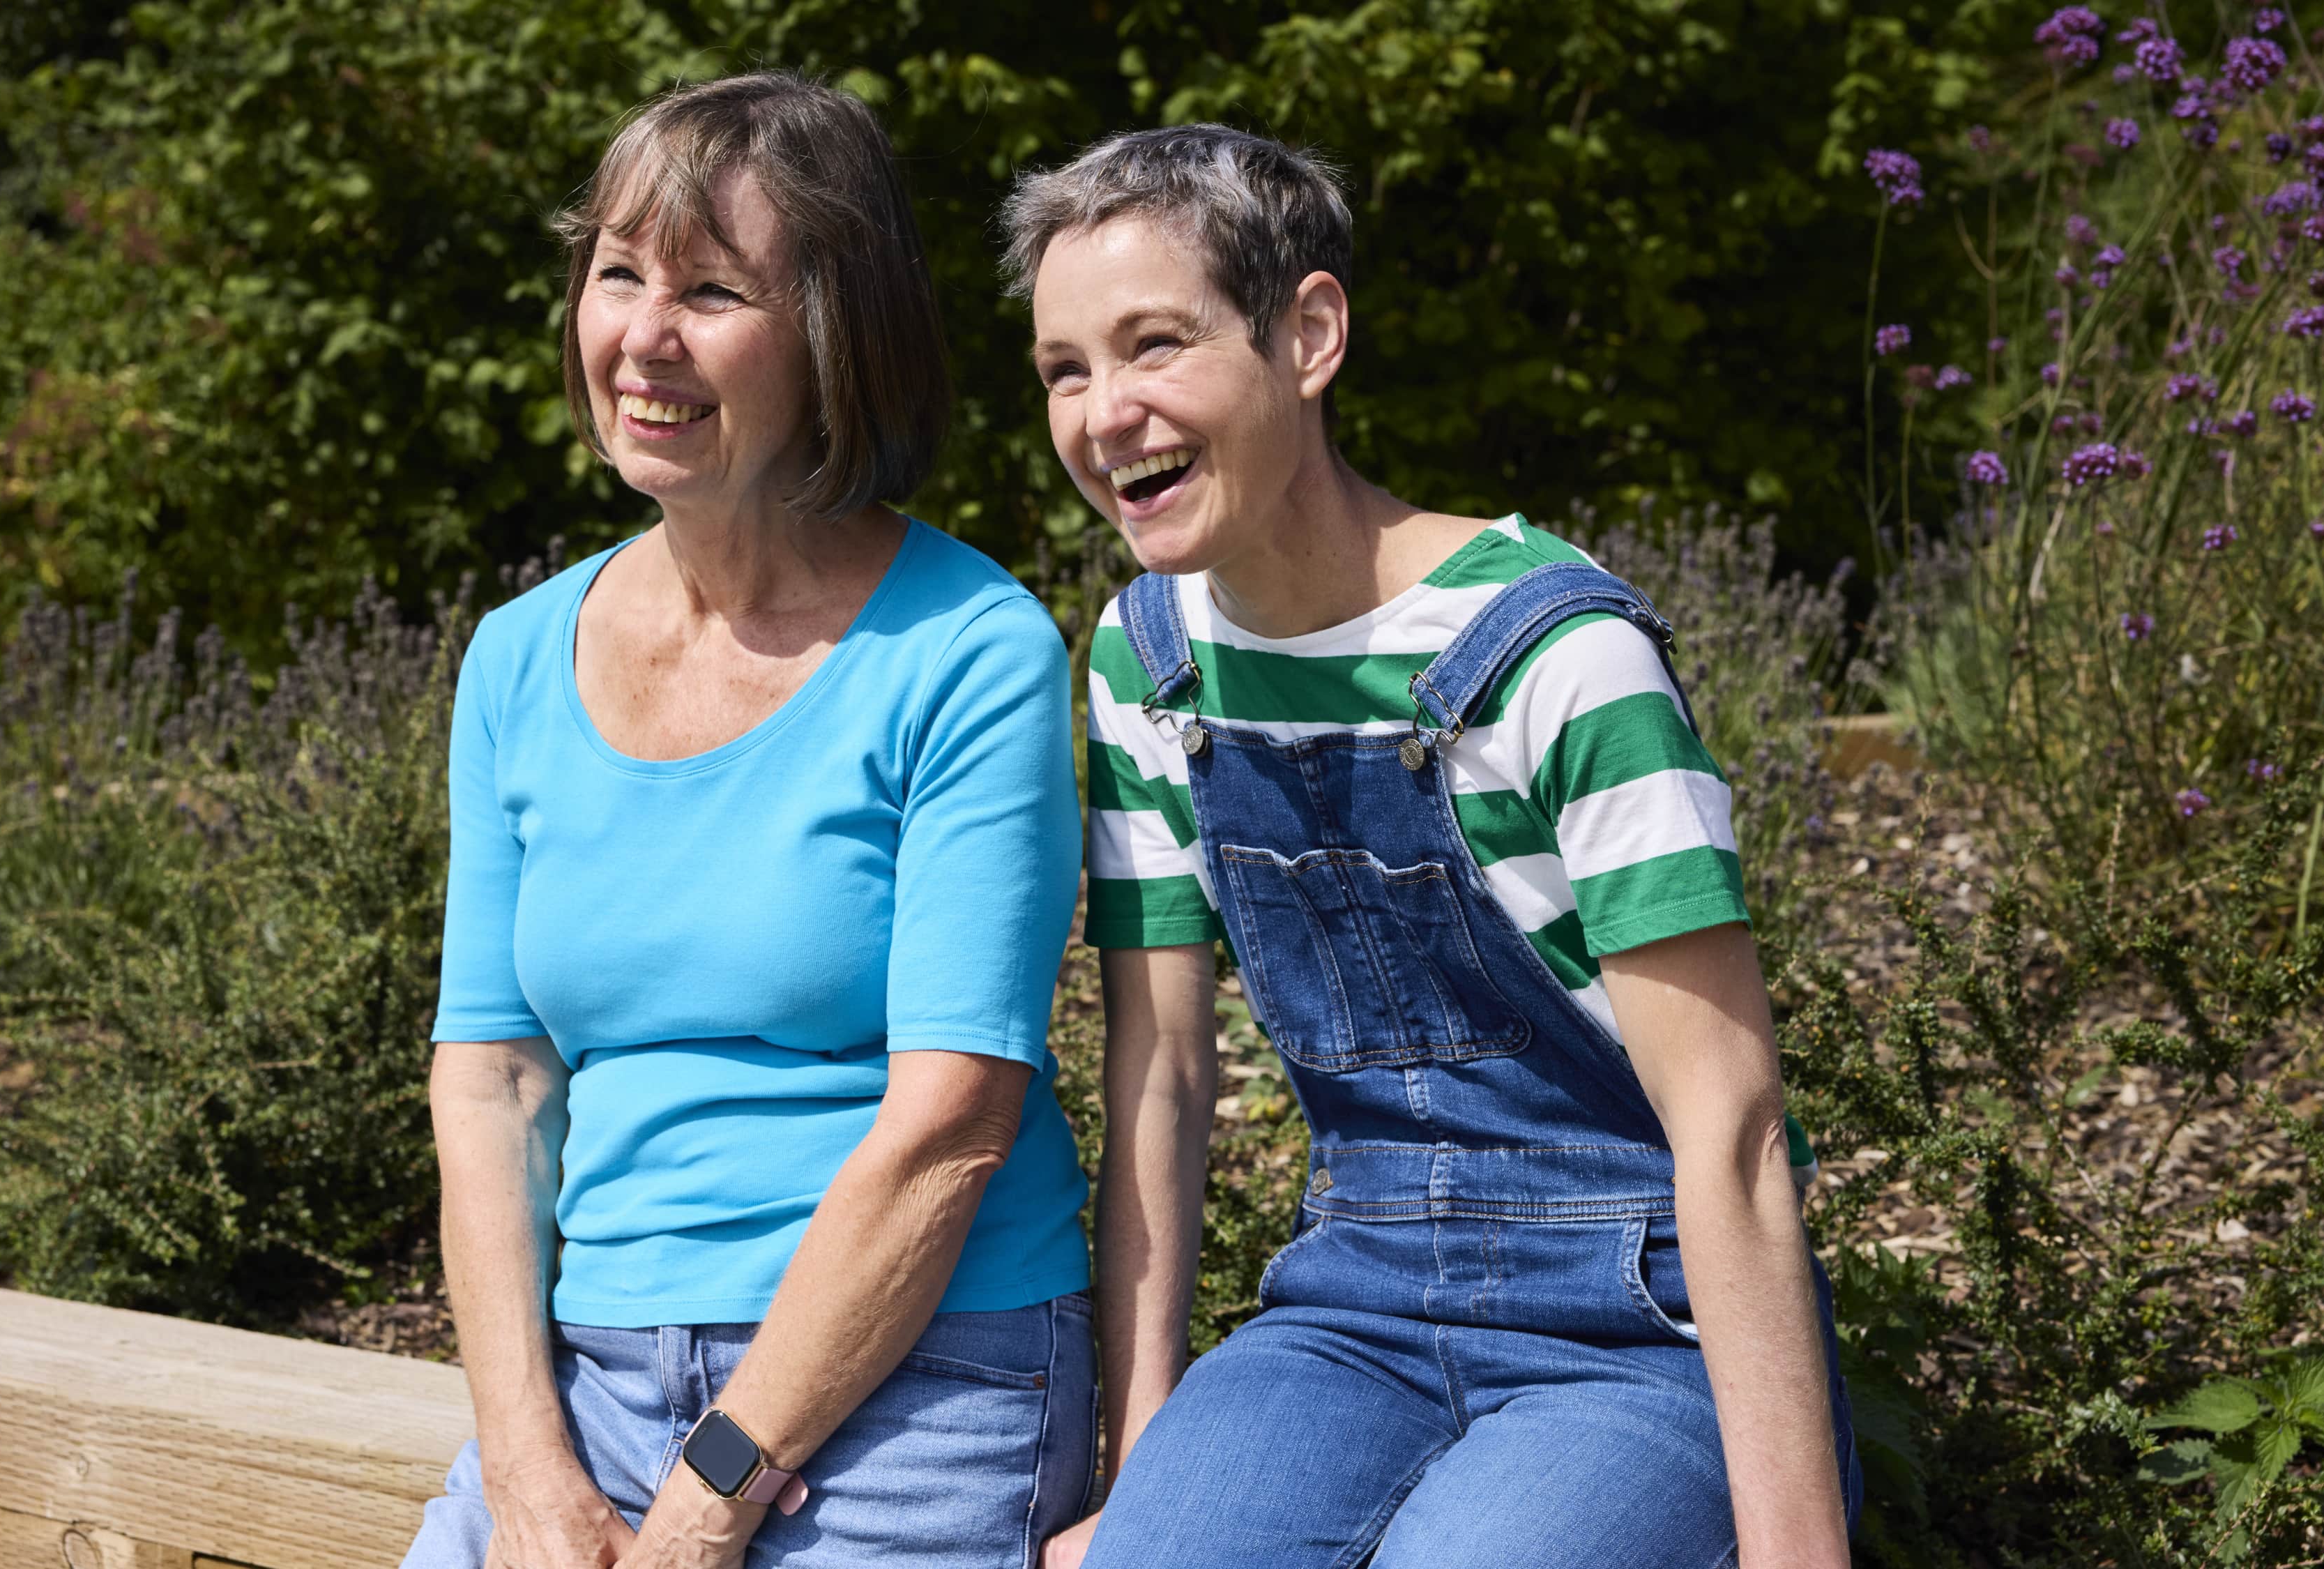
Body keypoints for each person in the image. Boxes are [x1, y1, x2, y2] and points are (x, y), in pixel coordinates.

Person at [1009, 126, 1858, 1569]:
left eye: (1156, 345)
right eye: (1065, 370)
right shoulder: (1144, 663)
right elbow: (1159, 1080)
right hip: (1352, 1300)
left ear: (1309, 336)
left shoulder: (1555, 654)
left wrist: (1797, 1552)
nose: (1106, 412)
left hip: (1636, 1325)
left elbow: (1733, 1127)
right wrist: (1139, 1482)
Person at [404, 73, 1093, 1569]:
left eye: (712, 290)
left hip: (920, 1380)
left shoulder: (970, 650)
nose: (643, 337)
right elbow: (495, 1084)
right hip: (589, 1382)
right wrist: (525, 1467)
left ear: (836, 336)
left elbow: (952, 1127)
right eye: (617, 275)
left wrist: (708, 1500)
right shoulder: (520, 655)